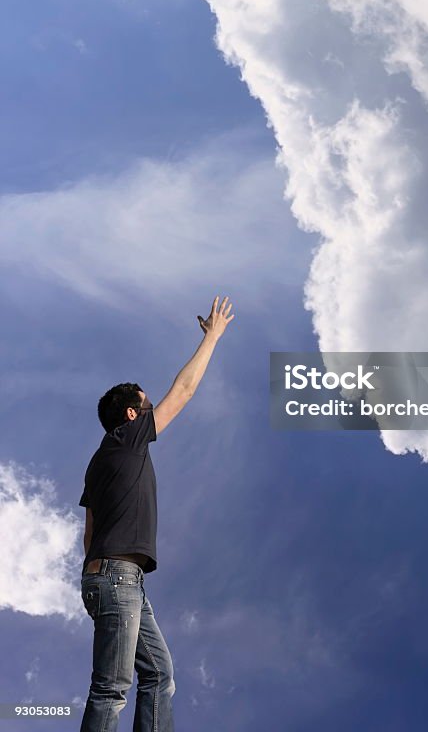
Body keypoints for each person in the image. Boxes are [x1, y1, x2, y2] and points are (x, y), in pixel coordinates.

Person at [78, 295, 235, 732]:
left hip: (117, 579)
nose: (152, 413)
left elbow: (89, 531)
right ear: (131, 415)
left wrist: (96, 574)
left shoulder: (101, 459)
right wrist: (213, 338)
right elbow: (182, 392)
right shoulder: (127, 436)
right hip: (117, 579)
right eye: (146, 406)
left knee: (159, 676)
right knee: (111, 688)